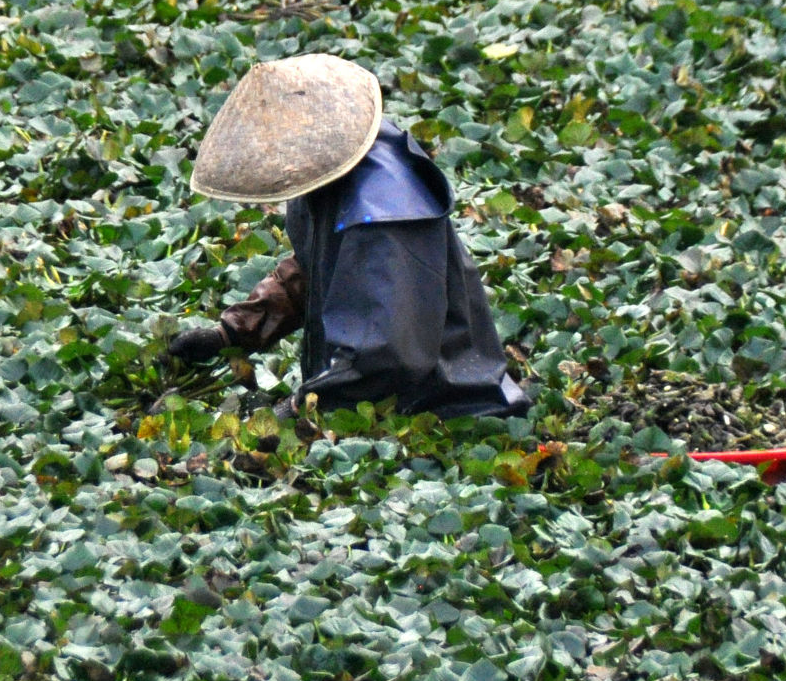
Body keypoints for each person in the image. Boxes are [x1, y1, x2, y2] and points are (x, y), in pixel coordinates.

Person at [168, 53, 530, 419]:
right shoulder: (335, 174)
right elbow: (318, 269)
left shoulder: (382, 218)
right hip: (371, 403)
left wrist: (297, 409)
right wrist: (232, 333)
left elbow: (381, 356)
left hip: (439, 410)